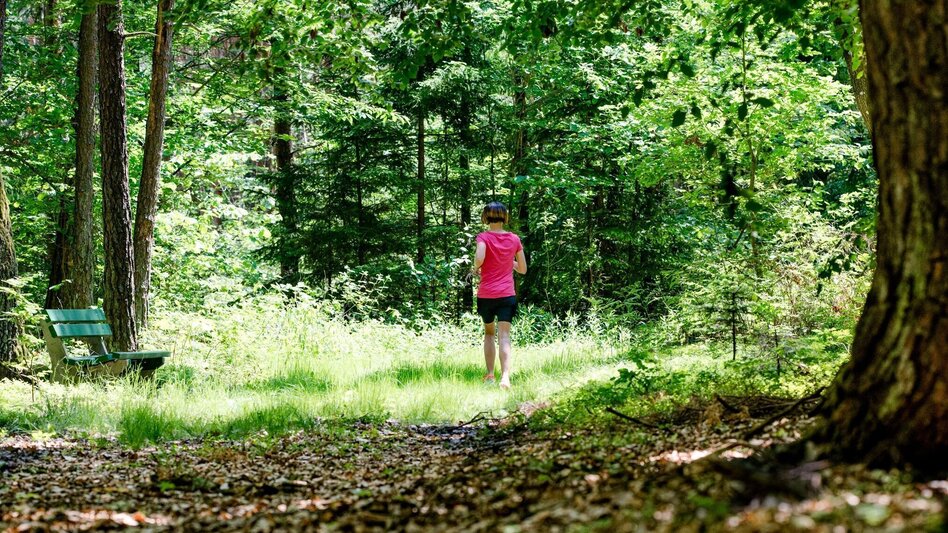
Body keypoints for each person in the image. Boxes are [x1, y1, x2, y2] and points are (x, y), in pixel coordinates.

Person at [471, 201, 527, 390]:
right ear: (505, 217)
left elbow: (480, 257)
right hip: (506, 295)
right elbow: (523, 269)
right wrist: (509, 262)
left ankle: (490, 375)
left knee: (489, 333)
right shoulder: (514, 239)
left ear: (485, 217)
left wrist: (476, 267)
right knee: (504, 336)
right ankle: (505, 378)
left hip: (486, 295)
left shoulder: (483, 237)